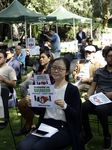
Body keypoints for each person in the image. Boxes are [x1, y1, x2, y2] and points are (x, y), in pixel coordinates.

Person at [18, 57, 85, 150]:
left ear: (67, 72)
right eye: (54, 67)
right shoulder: (47, 88)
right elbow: (40, 111)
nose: (56, 70)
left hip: (64, 128)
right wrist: (31, 104)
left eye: (60, 68)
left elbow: (75, 115)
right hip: (45, 125)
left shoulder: (72, 90)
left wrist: (65, 106)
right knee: (22, 147)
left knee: (38, 148)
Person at [14, 49, 55, 136]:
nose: (41, 59)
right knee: (20, 104)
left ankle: (26, 127)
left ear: (49, 58)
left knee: (30, 105)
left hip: (48, 97)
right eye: (40, 57)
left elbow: (54, 86)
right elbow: (34, 83)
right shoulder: (39, 70)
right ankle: (32, 125)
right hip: (36, 94)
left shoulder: (53, 71)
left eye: (43, 57)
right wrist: (32, 92)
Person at [82, 47, 112, 150]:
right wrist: (88, 95)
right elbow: (92, 86)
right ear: (105, 58)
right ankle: (88, 134)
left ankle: (107, 136)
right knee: (83, 107)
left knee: (100, 109)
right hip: (99, 99)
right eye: (110, 56)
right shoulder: (99, 71)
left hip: (111, 102)